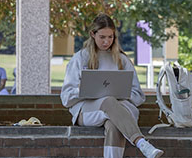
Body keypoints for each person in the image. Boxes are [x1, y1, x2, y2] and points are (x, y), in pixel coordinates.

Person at [60, 14, 164, 158]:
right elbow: (66, 98)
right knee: (108, 101)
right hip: (87, 112)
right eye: (102, 37)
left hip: (120, 109)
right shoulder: (80, 58)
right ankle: (141, 142)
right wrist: (87, 91)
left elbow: (138, 96)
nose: (106, 41)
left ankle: (140, 144)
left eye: (110, 37)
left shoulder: (122, 60)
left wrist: (120, 93)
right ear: (92, 34)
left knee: (114, 124)